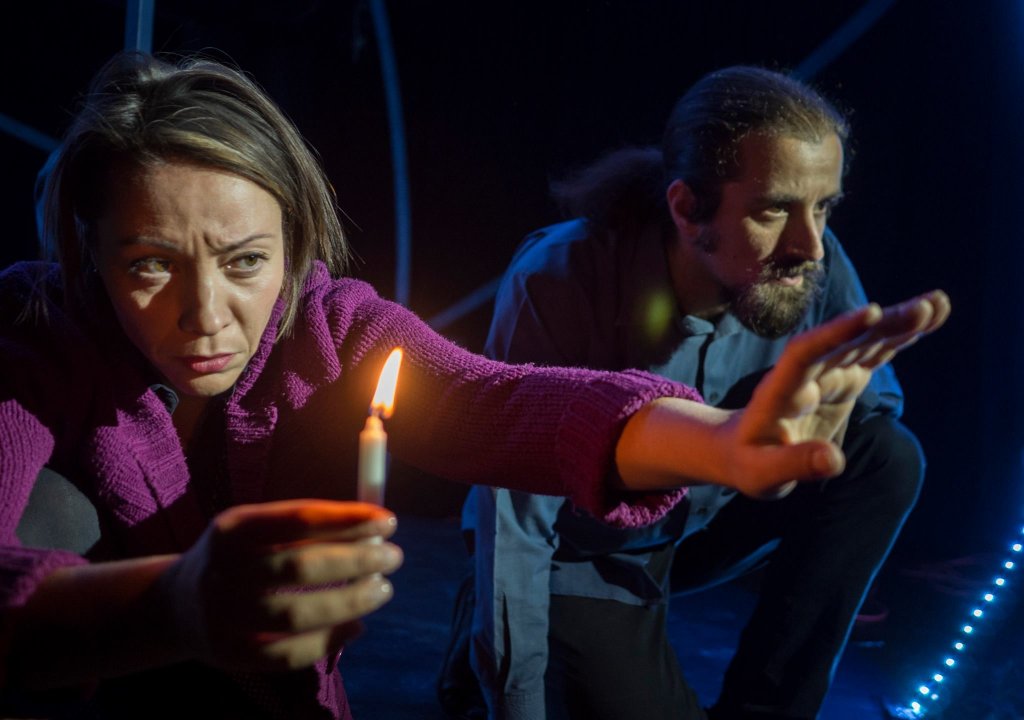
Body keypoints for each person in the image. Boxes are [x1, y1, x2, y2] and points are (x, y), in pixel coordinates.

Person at [0, 52, 947, 720]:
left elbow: (502, 402)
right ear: (88, 252)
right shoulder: (34, 341)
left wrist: (721, 445)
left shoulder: (330, 326)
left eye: (245, 260)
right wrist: (174, 604)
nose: (206, 314)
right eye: (151, 265)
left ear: (294, 243)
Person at [445, 66, 938, 720]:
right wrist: (513, 699)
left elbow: (869, 407)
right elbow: (515, 520)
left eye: (824, 207)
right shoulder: (562, 277)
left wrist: (822, 420)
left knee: (887, 456)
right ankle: (474, 659)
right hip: (586, 553)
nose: (811, 245)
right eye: (774, 209)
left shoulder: (806, 260)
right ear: (686, 209)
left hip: (706, 524)